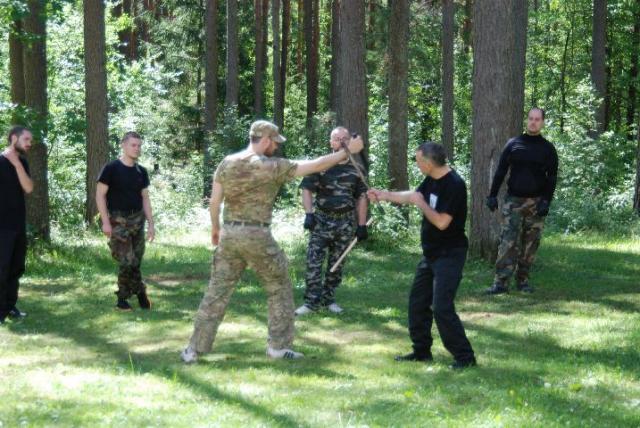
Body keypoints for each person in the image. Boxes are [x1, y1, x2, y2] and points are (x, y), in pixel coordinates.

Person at [181, 120, 364, 363]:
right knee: (279, 288)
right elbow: (317, 165)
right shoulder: (270, 166)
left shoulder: (227, 162)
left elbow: (214, 202)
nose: (276, 148)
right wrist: (348, 151)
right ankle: (278, 347)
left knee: (216, 292)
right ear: (265, 139)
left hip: (230, 234)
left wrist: (216, 228)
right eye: (275, 142)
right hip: (257, 235)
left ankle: (194, 349)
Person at [368, 142, 476, 369]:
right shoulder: (431, 180)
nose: (417, 165)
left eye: (418, 161)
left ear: (428, 162)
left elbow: (442, 222)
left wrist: (421, 205)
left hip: (450, 254)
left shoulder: (454, 184)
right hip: (431, 254)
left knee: (442, 307)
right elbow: (413, 196)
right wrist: (384, 195)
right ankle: (421, 351)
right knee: (417, 303)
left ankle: (465, 357)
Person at [295, 126, 368, 316]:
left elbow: (362, 198)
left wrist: (361, 225)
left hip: (344, 223)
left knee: (337, 263)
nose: (342, 141)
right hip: (321, 221)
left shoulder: (357, 169)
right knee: (313, 263)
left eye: (345, 138)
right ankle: (311, 303)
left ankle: (328, 300)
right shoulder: (321, 165)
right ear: (331, 142)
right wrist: (309, 213)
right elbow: (307, 190)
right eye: (337, 138)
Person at [485, 108, 558, 294]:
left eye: (537, 119)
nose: (533, 122)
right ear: (527, 121)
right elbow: (501, 171)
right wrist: (492, 195)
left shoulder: (548, 149)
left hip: (536, 203)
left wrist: (546, 202)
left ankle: (523, 281)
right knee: (507, 242)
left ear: (542, 122)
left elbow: (552, 178)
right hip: (513, 202)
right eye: (531, 119)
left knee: (530, 244)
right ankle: (500, 283)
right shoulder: (513, 144)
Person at [96, 131, 155, 311]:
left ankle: (139, 292)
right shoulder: (111, 168)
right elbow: (99, 195)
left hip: (138, 220)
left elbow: (145, 198)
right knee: (126, 260)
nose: (137, 149)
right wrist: (105, 222)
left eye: (139, 145)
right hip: (117, 220)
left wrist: (151, 224)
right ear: (123, 145)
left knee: (135, 261)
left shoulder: (141, 171)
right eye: (133, 145)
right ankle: (124, 298)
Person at [0, 126, 34, 324]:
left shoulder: (22, 162)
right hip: (1, 227)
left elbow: (28, 188)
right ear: (14, 138)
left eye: (30, 140)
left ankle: (9, 306)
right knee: (1, 269)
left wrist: (17, 164)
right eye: (26, 139)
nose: (29, 143)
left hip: (18, 225)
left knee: (16, 268)